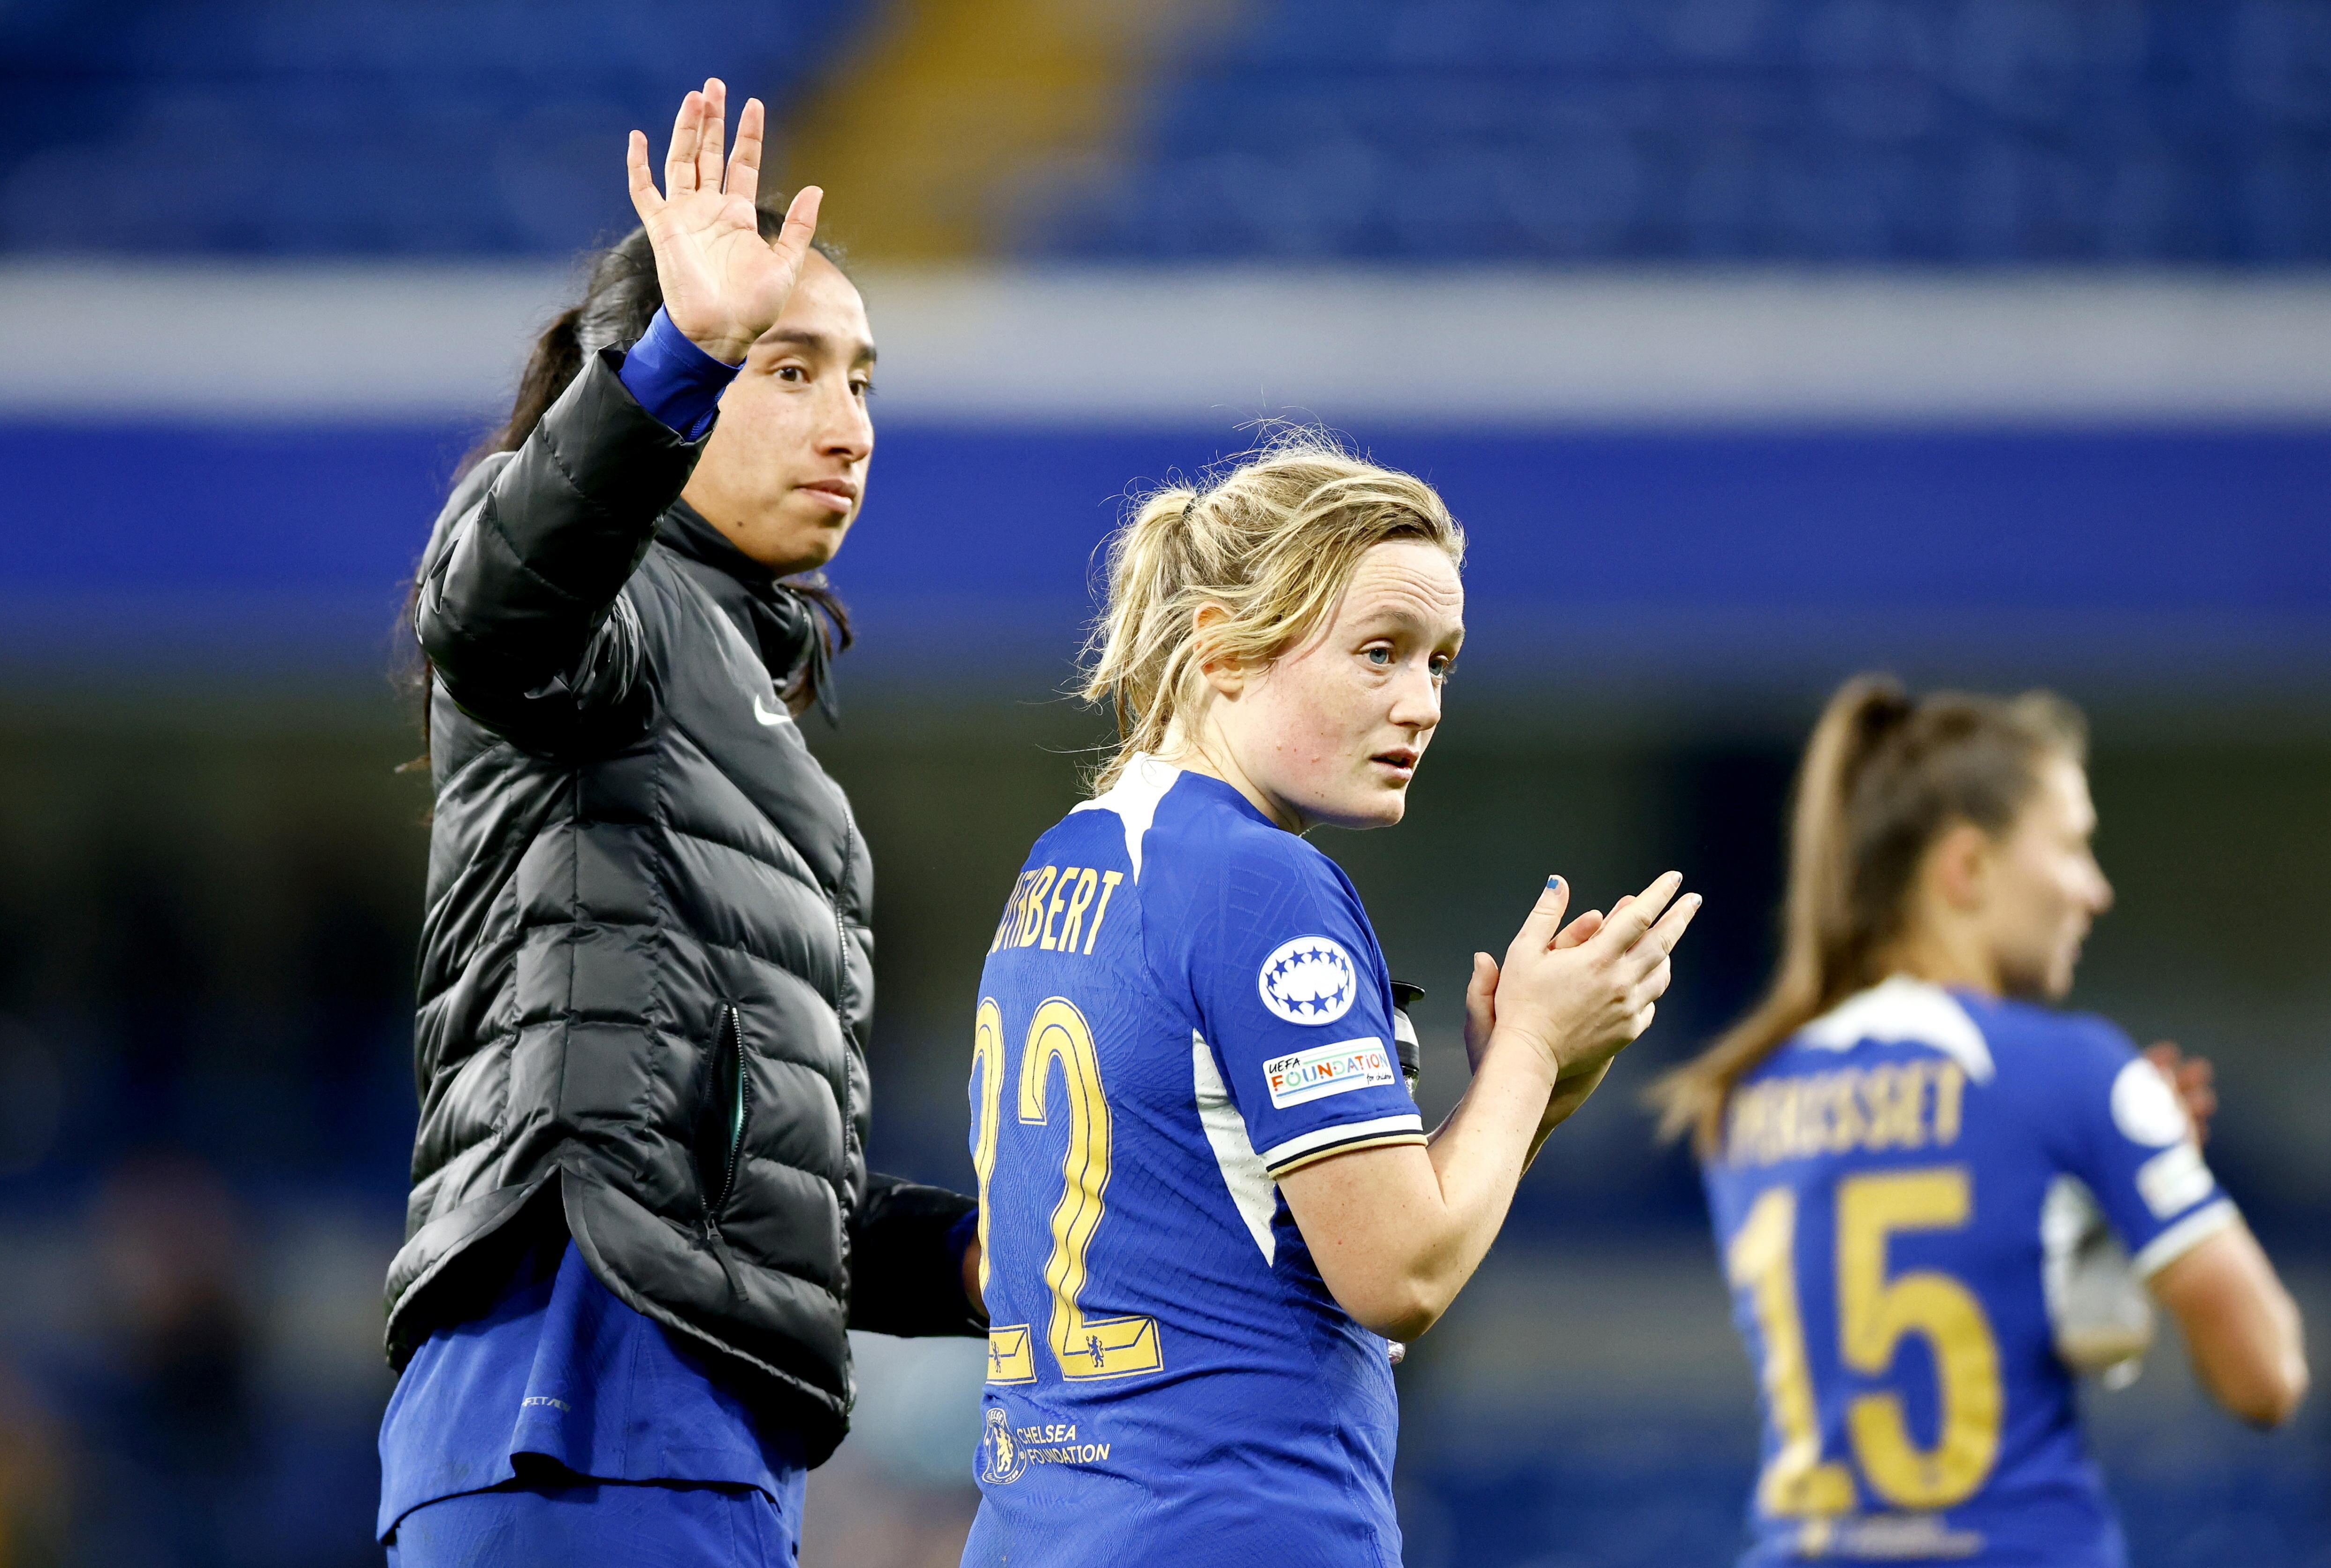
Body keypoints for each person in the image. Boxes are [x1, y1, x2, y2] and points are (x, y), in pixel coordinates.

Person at [379, 80, 984, 1565]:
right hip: (576, 1400)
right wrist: (676, 360)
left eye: (861, 380)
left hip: (696, 1426)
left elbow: (727, 1169)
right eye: (790, 369)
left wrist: (973, 1254)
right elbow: (492, 604)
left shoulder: (741, 693)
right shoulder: (616, 603)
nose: (847, 421)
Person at [959, 441, 1702, 1564]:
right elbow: (1397, 1275)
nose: (1422, 703)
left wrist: (1531, 1092)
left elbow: (1278, 1237)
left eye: (1440, 663)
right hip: (1230, 1525)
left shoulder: (1065, 863)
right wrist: (1534, 1052)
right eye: (1378, 653)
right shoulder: (1261, 881)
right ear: (1221, 647)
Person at [1650, 675, 2308, 1568]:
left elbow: (1977, 1314)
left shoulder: (1745, 1096)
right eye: (2074, 846)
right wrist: (2149, 1172)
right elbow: (2266, 1377)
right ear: (1967, 868)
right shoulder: (2070, 1069)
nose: (2096, 889)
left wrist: (2098, 1227)